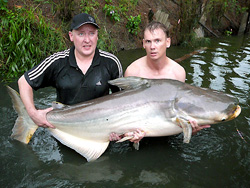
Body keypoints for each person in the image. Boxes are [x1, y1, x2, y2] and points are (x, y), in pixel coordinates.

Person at [18, 13, 123, 129]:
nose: (87, 40)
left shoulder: (111, 62)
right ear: (71, 36)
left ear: (97, 36)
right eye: (81, 34)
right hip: (65, 130)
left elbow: (123, 101)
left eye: (92, 33)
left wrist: (119, 129)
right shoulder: (57, 61)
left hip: (101, 129)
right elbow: (24, 82)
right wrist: (33, 114)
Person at [110, 21, 210, 143]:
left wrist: (191, 128)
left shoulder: (178, 72)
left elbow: (180, 111)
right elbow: (127, 110)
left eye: (157, 41)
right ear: (143, 44)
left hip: (168, 135)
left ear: (168, 42)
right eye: (148, 41)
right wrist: (127, 134)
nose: (153, 46)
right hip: (139, 136)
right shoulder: (133, 71)